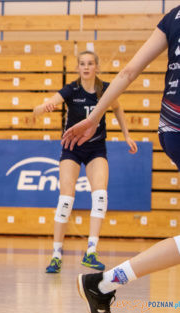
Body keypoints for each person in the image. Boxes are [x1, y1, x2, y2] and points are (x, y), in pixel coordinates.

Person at [59, 6, 180, 313]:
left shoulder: (174, 15)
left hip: (170, 127)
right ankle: (92, 276)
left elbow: (128, 72)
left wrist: (93, 118)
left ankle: (103, 283)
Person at [33, 51, 137, 274]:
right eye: (82, 64)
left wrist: (127, 134)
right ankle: (56, 255)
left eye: (90, 63)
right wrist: (44, 107)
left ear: (97, 67)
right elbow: (49, 103)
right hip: (72, 149)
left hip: (96, 149)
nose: (86, 67)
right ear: (78, 68)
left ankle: (91, 251)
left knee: (100, 195)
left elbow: (118, 108)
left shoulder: (105, 89)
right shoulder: (71, 89)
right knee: (66, 198)